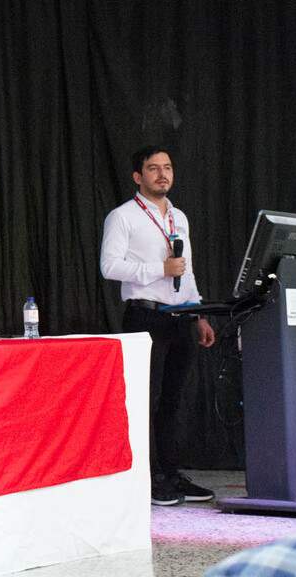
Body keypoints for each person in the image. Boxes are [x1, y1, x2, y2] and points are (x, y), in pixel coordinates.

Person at [100, 145, 216, 506]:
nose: (162, 174)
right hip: (146, 315)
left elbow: (188, 268)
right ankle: (147, 479)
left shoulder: (178, 217)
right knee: (144, 400)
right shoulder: (123, 217)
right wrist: (157, 270)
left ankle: (171, 472)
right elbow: (110, 267)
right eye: (153, 168)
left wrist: (198, 313)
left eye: (167, 167)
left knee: (174, 400)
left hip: (181, 316)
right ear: (138, 176)